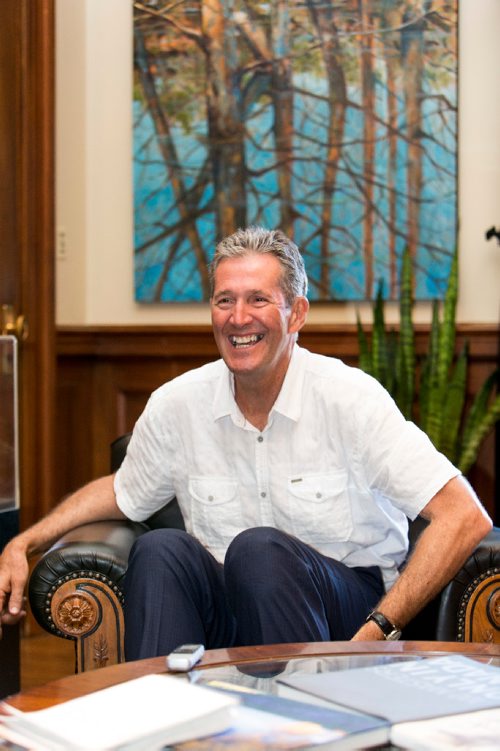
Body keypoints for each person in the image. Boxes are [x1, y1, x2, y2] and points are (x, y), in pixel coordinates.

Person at [0, 227, 492, 657]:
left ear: (295, 313)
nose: (238, 318)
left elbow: (463, 515)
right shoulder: (178, 403)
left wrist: (378, 630)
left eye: (258, 299)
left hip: (343, 608)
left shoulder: (350, 398)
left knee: (258, 551)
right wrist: (25, 541)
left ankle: (296, 731)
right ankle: (157, 727)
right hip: (229, 604)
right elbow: (122, 492)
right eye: (224, 300)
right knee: (160, 549)